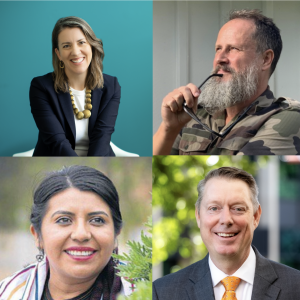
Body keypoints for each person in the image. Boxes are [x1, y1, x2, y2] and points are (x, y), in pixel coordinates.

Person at [153, 9, 300, 155]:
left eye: (233, 48)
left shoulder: (288, 118)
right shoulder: (194, 113)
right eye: (218, 49)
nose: (220, 59)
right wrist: (169, 127)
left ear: (265, 59)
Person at [153, 167, 300, 300]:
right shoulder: (162, 292)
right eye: (214, 208)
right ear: (198, 216)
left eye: (238, 209)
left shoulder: (296, 287)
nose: (226, 220)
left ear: (255, 216)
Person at [0, 166, 132, 300]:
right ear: (37, 235)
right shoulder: (8, 293)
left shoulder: (141, 291)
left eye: (97, 220)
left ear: (116, 231)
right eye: (64, 220)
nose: (81, 234)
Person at [30, 17, 120, 156]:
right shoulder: (41, 87)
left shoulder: (111, 86)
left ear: (91, 46)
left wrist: (90, 171)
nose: (76, 52)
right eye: (66, 46)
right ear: (58, 54)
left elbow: (102, 136)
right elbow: (56, 141)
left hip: (99, 159)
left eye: (81, 43)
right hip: (57, 160)